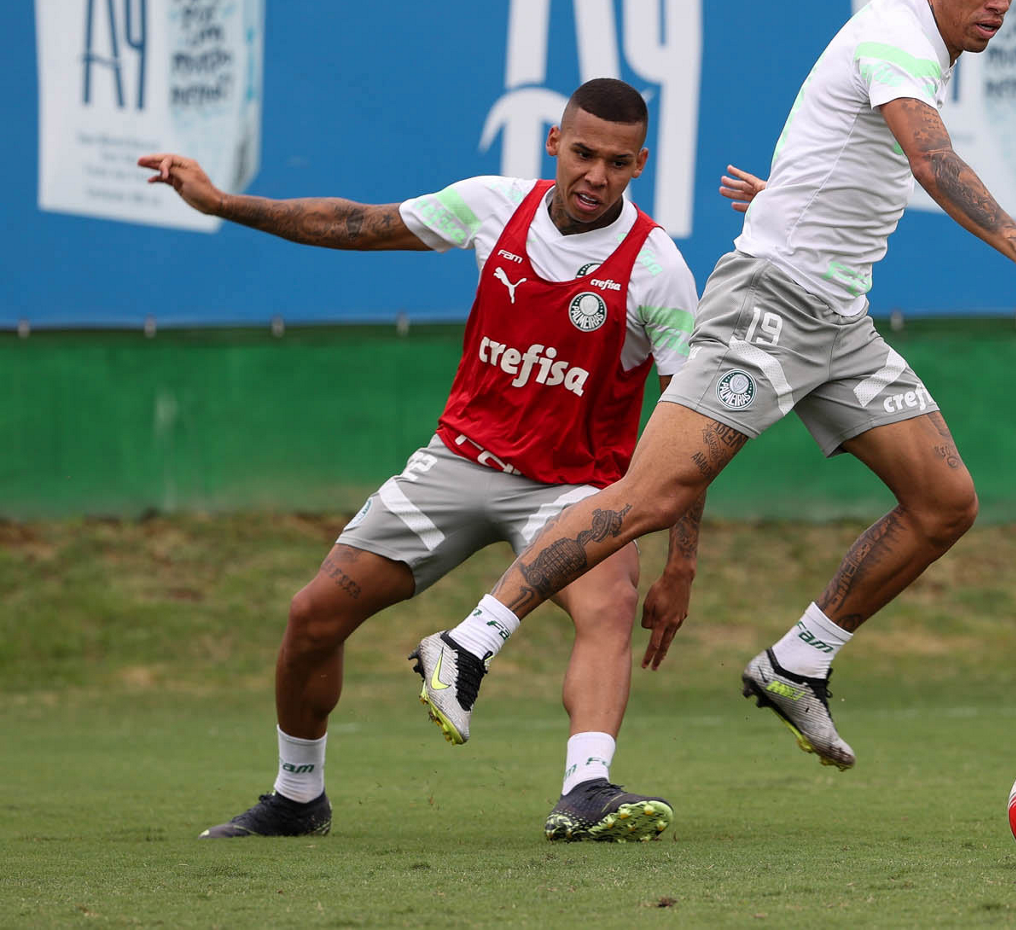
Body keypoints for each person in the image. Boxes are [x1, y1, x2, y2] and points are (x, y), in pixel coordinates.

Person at [414, 0, 1016, 770]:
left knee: (944, 501)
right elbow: (930, 160)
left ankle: (797, 662)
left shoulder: (917, 49)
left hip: (838, 322)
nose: (1000, 1)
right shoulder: (897, 37)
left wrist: (783, 196)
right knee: (651, 496)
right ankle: (468, 642)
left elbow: (843, 146)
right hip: (769, 307)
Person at [138, 78, 702, 842]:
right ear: (553, 144)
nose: (595, 175)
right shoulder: (491, 205)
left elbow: (687, 425)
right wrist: (220, 203)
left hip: (575, 488)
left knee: (608, 606)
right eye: (582, 154)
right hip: (459, 463)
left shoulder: (657, 268)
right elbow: (353, 224)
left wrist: (680, 564)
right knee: (312, 617)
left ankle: (586, 789)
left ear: (640, 164)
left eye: (616, 162)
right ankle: (297, 797)